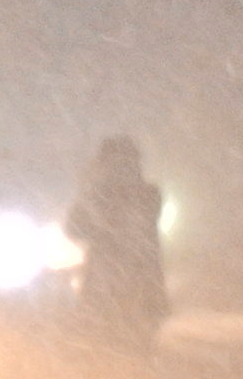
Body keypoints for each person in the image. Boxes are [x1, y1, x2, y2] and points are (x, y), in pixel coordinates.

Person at [63, 134, 169, 347]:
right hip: (138, 284)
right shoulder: (149, 194)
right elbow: (76, 227)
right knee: (136, 348)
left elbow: (75, 229)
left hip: (111, 285)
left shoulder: (99, 195)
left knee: (104, 348)